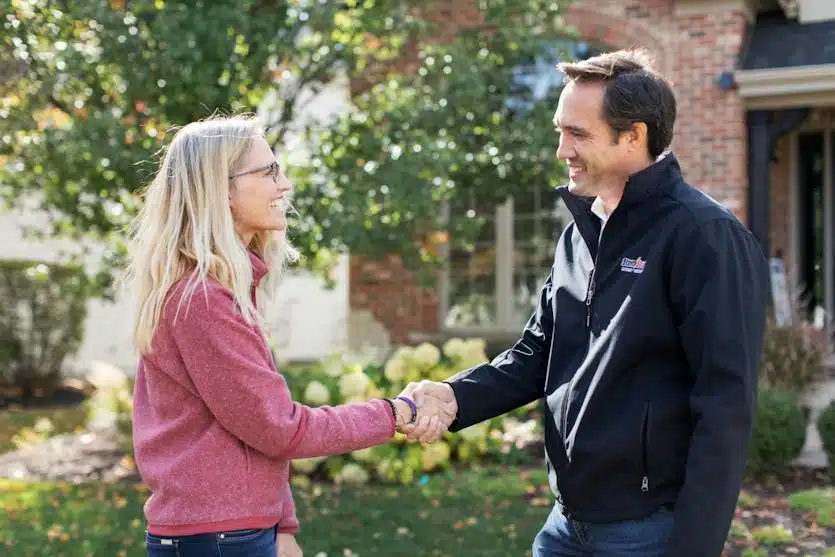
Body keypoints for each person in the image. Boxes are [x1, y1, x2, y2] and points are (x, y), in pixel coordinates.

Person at [403, 49, 769, 557]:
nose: (561, 150)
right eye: (560, 130)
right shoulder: (581, 233)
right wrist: (453, 396)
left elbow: (725, 407)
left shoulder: (705, 237)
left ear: (634, 136)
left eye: (578, 134)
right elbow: (537, 353)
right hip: (565, 527)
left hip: (648, 532)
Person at [125, 115, 452, 557]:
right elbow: (281, 428)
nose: (285, 186)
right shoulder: (203, 300)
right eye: (269, 172)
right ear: (220, 188)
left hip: (230, 532)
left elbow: (253, 423)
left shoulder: (220, 291)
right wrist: (396, 412)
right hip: (218, 539)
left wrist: (283, 525)